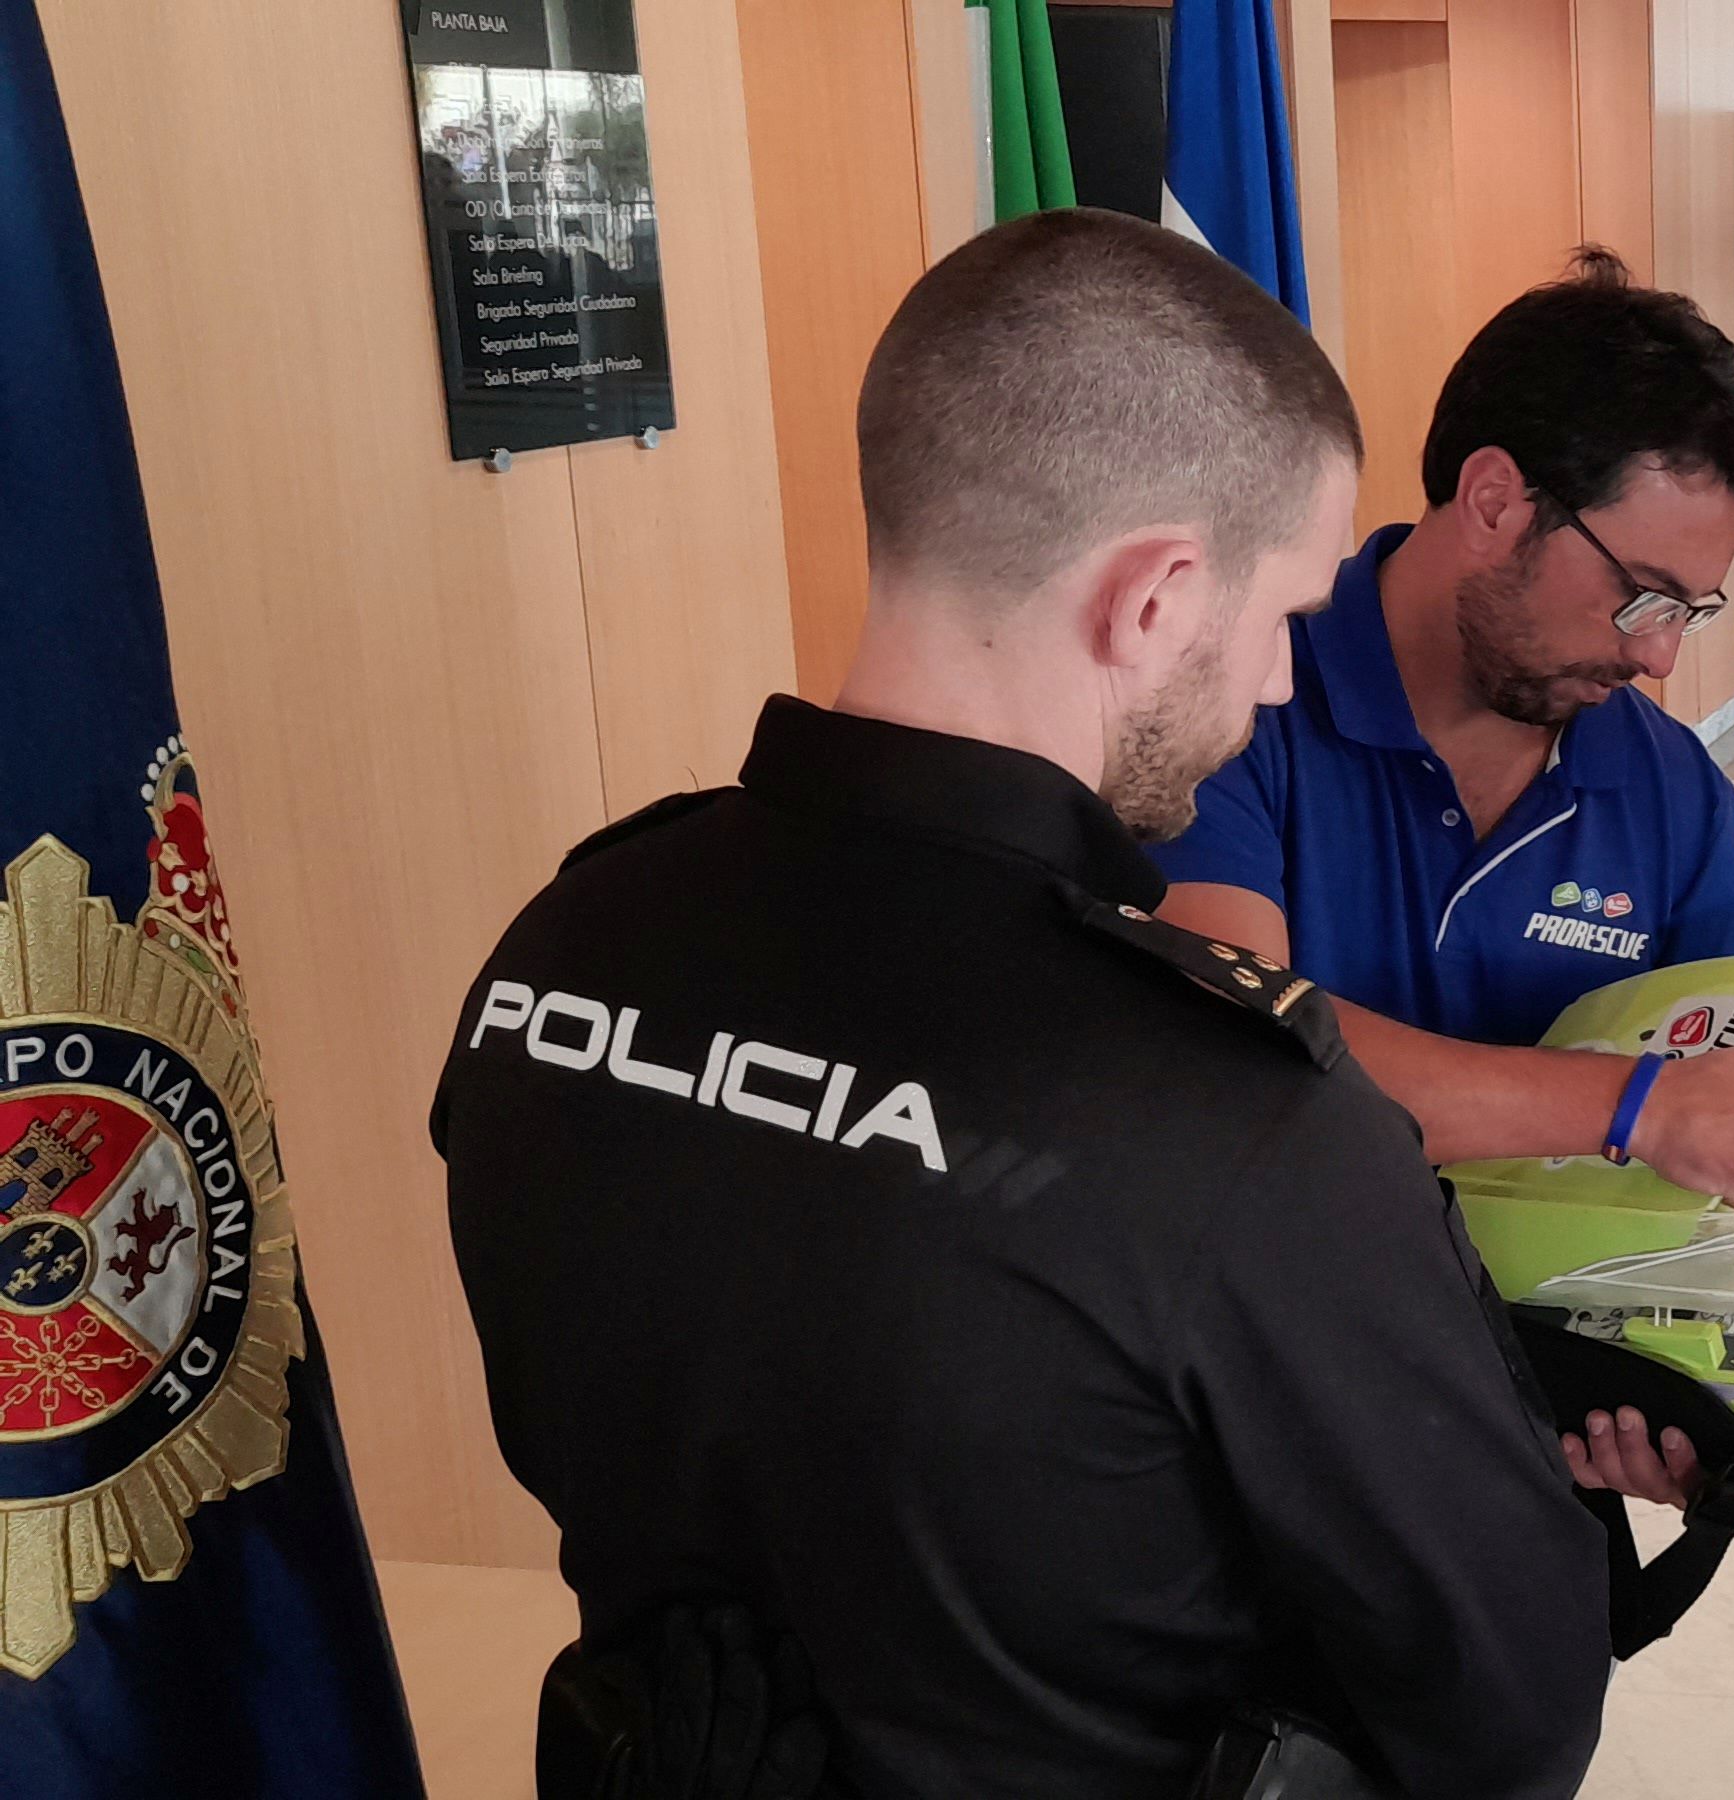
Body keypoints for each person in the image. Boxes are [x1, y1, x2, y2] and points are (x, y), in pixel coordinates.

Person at [434, 209, 1607, 1798]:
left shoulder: (571, 943)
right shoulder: (1230, 1119)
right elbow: (1509, 1703)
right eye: (1284, 618)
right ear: (1155, 597)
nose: (1280, 684)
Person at [1153, 249, 1734, 1500]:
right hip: (1232, 1411)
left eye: (1687, 612)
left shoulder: (1672, 793)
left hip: (1513, 1427)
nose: (1657, 661)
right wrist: (1633, 1104)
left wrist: (1678, 1380)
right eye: (1641, 596)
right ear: (1492, 500)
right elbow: (1229, 1054)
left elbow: (1690, 1161)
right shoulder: (1235, 701)